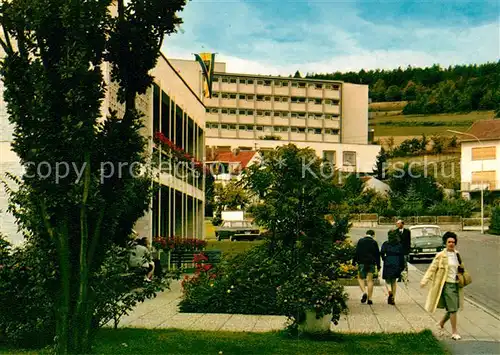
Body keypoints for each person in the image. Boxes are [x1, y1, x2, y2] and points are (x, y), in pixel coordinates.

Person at [420, 232, 463, 340]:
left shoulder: (457, 254)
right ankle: (454, 332)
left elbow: (460, 268)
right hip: (447, 284)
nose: (451, 244)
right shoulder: (441, 255)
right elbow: (432, 268)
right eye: (449, 242)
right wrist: (424, 280)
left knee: (454, 308)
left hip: (457, 284)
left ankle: (441, 323)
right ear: (445, 243)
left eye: (453, 242)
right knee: (453, 309)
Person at [353, 230, 381, 305]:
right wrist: (378, 266)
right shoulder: (374, 242)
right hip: (371, 263)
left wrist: (354, 262)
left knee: (360, 278)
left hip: (362, 263)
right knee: (370, 280)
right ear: (373, 235)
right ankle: (370, 299)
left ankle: (364, 292)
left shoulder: (360, 241)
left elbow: (357, 252)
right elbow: (377, 255)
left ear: (366, 234)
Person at [380, 230, 405, 305]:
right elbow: (402, 256)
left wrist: (384, 259)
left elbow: (382, 253)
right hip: (396, 262)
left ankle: (389, 291)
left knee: (387, 280)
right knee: (394, 281)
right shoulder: (399, 244)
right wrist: (402, 266)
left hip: (388, 261)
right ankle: (393, 298)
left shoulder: (386, 244)